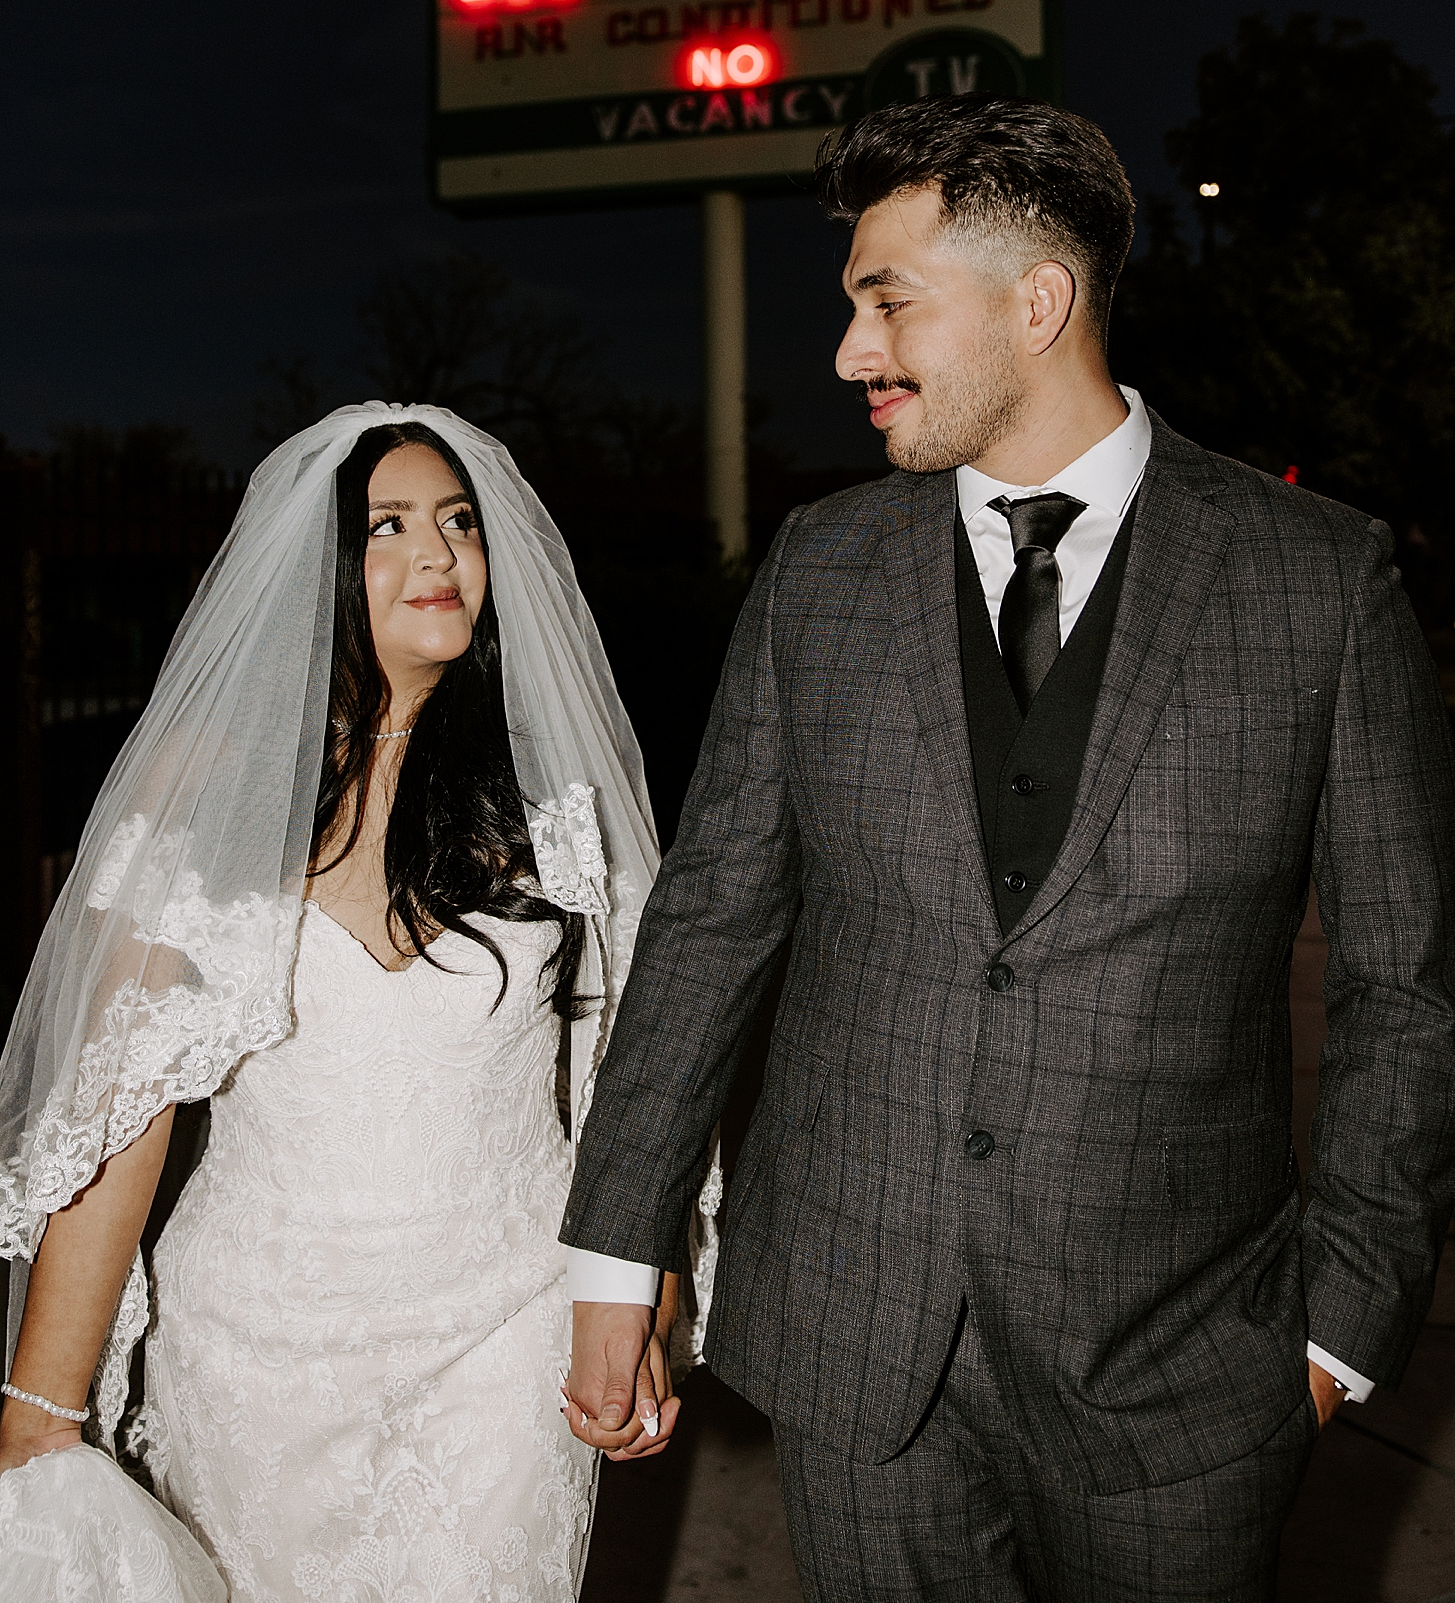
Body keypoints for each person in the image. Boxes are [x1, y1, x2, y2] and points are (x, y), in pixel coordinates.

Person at [559, 97, 1455, 1602]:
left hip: (1188, 1367)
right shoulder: (821, 568)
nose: (850, 353)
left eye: (885, 300)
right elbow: (712, 922)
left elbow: (1408, 987)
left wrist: (1337, 1327)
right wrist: (616, 1252)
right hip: (856, 1348)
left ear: (1039, 303)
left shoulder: (1319, 583)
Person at [0, 404, 694, 1601]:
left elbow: (642, 1081)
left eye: (458, 522)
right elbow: (116, 1123)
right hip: (253, 1355)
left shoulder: (548, 798)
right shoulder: (207, 793)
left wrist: (644, 1311)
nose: (440, 557)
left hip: (505, 1337)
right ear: (315, 568)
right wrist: (40, 1413)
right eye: (388, 527)